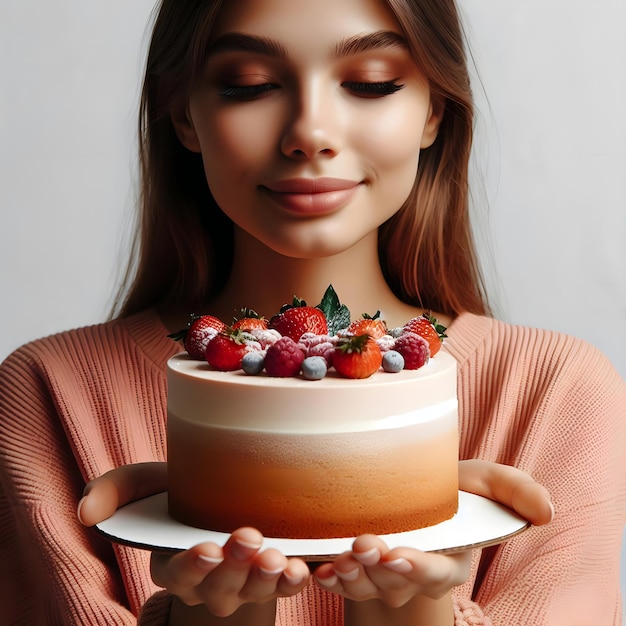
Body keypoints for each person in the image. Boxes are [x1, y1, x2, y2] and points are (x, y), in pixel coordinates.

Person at [0, 0, 624, 624]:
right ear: (185, 113)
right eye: (250, 86)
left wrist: (418, 611)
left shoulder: (558, 391)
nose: (310, 133)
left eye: (371, 83)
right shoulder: (48, 392)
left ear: (433, 110)